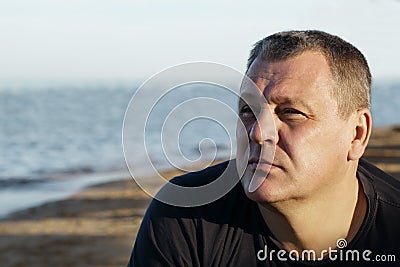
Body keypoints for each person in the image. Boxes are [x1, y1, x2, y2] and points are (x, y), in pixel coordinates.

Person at [127, 30, 400, 266]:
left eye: (290, 112)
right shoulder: (188, 216)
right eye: (248, 111)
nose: (257, 132)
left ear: (357, 134)